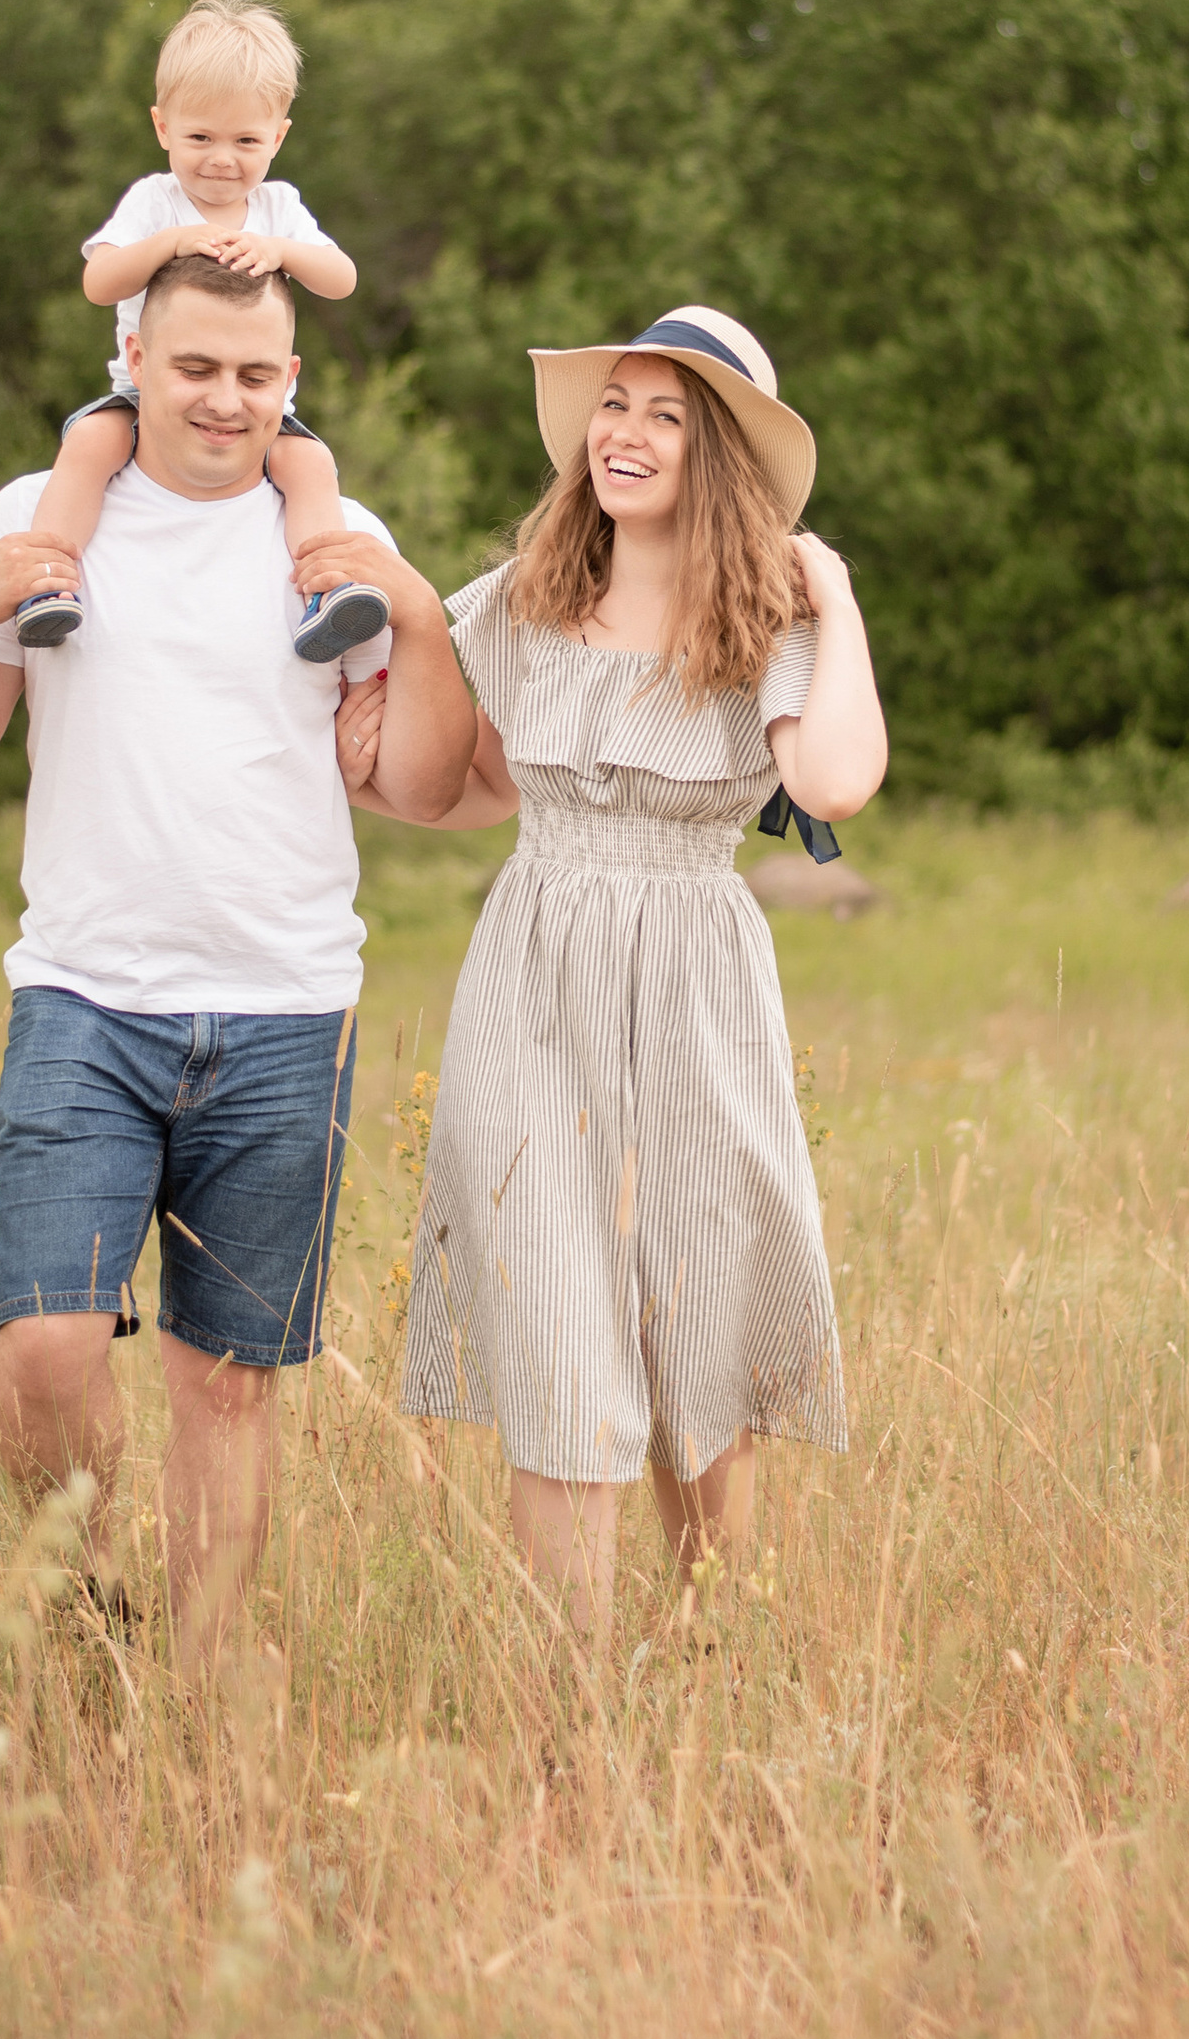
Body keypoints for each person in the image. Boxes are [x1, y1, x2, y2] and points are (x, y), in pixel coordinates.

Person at [0, 250, 475, 1658]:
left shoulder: (340, 543)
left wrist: (424, 619)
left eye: (257, 374)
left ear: (293, 383)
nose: (226, 399)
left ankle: (202, 1670)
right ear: (134, 358)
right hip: (88, 998)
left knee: (230, 1386)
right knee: (44, 1345)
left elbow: (425, 783)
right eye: (196, 366)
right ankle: (87, 1600)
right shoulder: (45, 522)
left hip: (287, 1009)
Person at [343, 304, 888, 1638]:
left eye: (668, 415)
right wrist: (368, 745)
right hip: (534, 970)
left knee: (694, 1317)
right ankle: (564, 1697)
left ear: (721, 461)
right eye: (617, 403)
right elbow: (473, 785)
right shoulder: (524, 598)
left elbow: (832, 781)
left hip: (695, 979)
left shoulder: (762, 617)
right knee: (551, 1326)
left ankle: (707, 1642)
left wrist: (839, 595)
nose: (628, 433)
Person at [17, 0, 393, 666]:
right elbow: (98, 282)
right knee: (88, 447)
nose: (222, 159)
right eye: (200, 138)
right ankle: (46, 583)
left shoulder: (278, 207)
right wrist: (169, 243)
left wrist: (283, 252)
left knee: (309, 463)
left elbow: (343, 278)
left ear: (278, 137)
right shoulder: (154, 201)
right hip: (144, 400)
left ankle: (324, 594)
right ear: (163, 129)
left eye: (246, 140)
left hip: (256, 405)